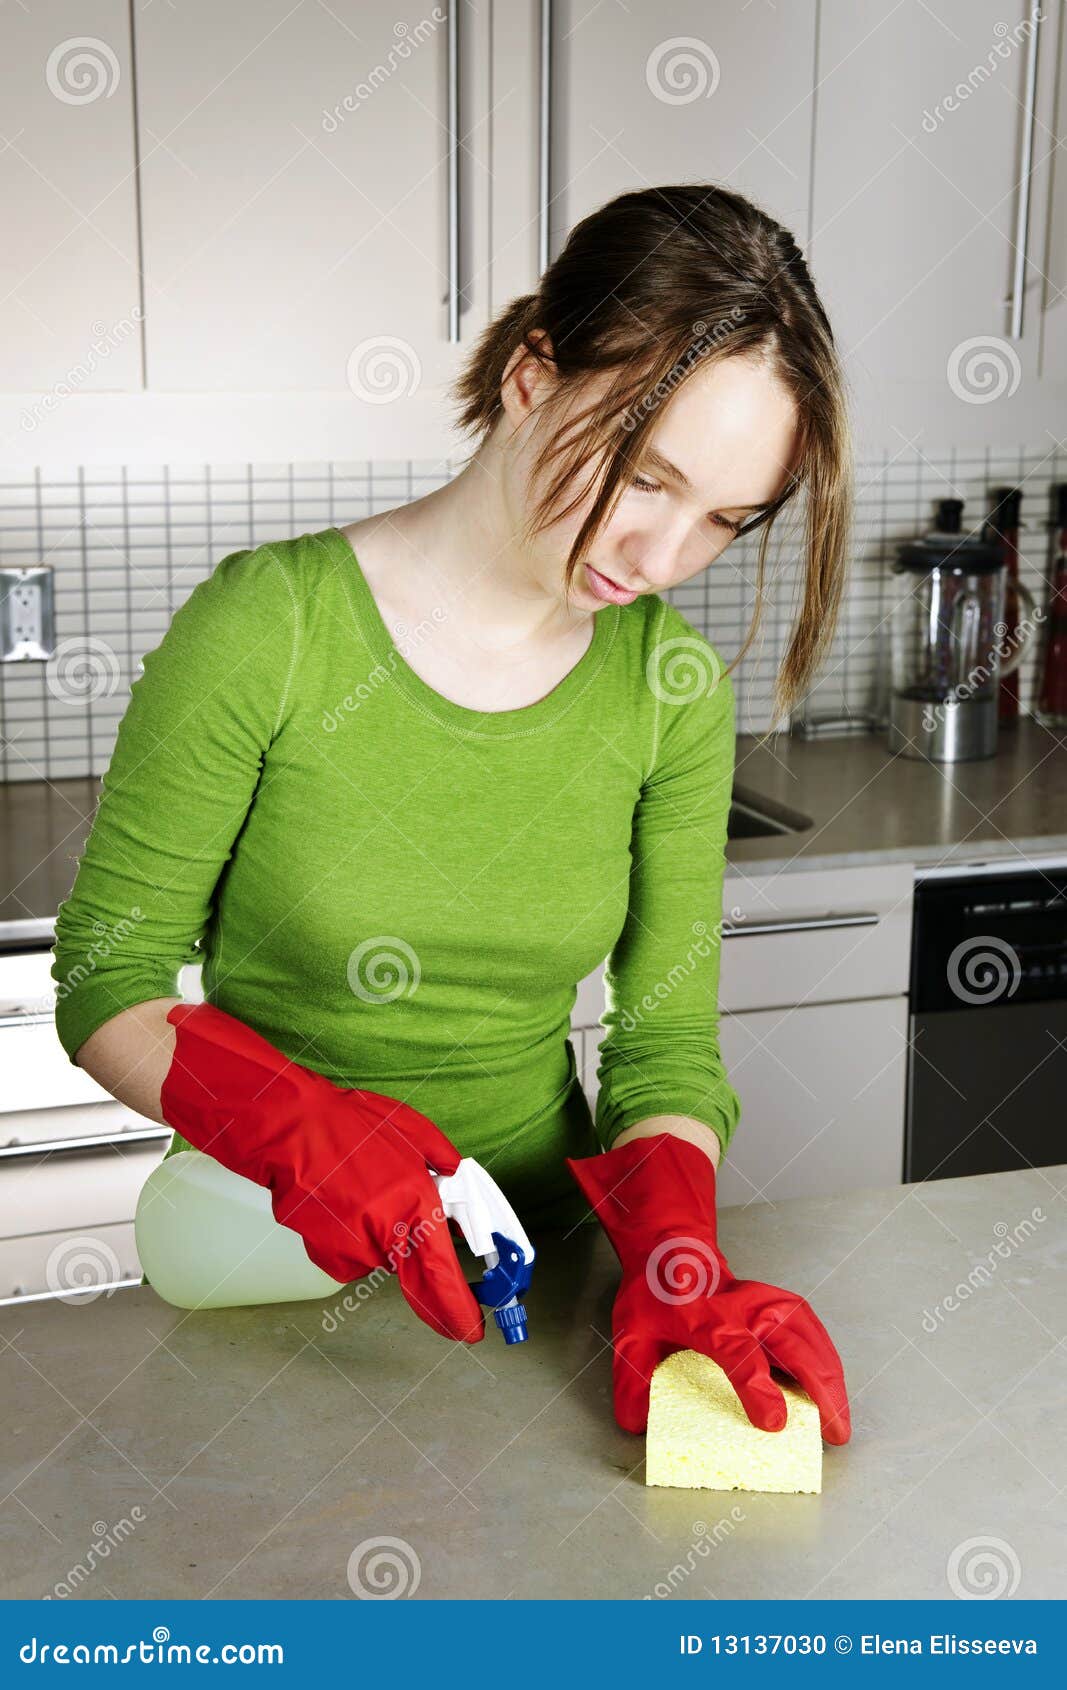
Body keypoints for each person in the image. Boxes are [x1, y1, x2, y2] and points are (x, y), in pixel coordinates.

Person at [51, 183, 852, 1444]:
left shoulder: (668, 687)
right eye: (645, 476)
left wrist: (674, 1258)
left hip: (536, 1291)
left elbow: (661, 1047)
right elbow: (108, 975)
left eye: (723, 522)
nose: (658, 558)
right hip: (267, 1266)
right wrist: (305, 1131)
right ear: (534, 377)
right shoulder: (271, 629)